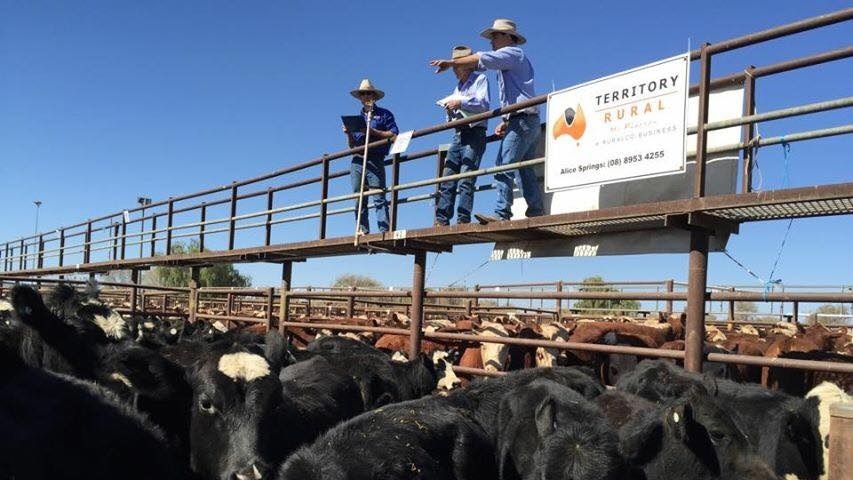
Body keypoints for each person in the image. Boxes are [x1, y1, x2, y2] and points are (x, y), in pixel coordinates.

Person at [430, 19, 544, 223]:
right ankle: (535, 210)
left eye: (495, 35)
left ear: (508, 37)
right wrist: (507, 119)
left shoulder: (513, 53)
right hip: (524, 118)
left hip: (523, 118)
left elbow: (484, 58)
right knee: (524, 167)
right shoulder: (509, 59)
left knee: (502, 165)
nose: (491, 40)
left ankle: (502, 214)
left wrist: (452, 63)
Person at [434, 45, 490, 226]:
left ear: (467, 65)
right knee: (448, 176)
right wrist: (450, 110)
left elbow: (483, 104)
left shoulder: (480, 79)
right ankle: (441, 219)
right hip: (460, 132)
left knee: (466, 177)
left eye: (457, 66)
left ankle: (462, 219)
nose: (455, 71)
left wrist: (460, 102)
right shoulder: (459, 86)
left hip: (475, 132)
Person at [343, 79, 398, 234]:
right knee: (358, 197)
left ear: (374, 95)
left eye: (368, 93)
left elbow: (394, 135)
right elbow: (352, 146)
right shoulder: (357, 118)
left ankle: (384, 230)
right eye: (363, 94)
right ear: (360, 97)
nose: (366, 96)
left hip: (375, 158)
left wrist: (373, 132)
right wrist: (348, 134)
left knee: (378, 194)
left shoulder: (384, 115)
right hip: (357, 160)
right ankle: (362, 228)